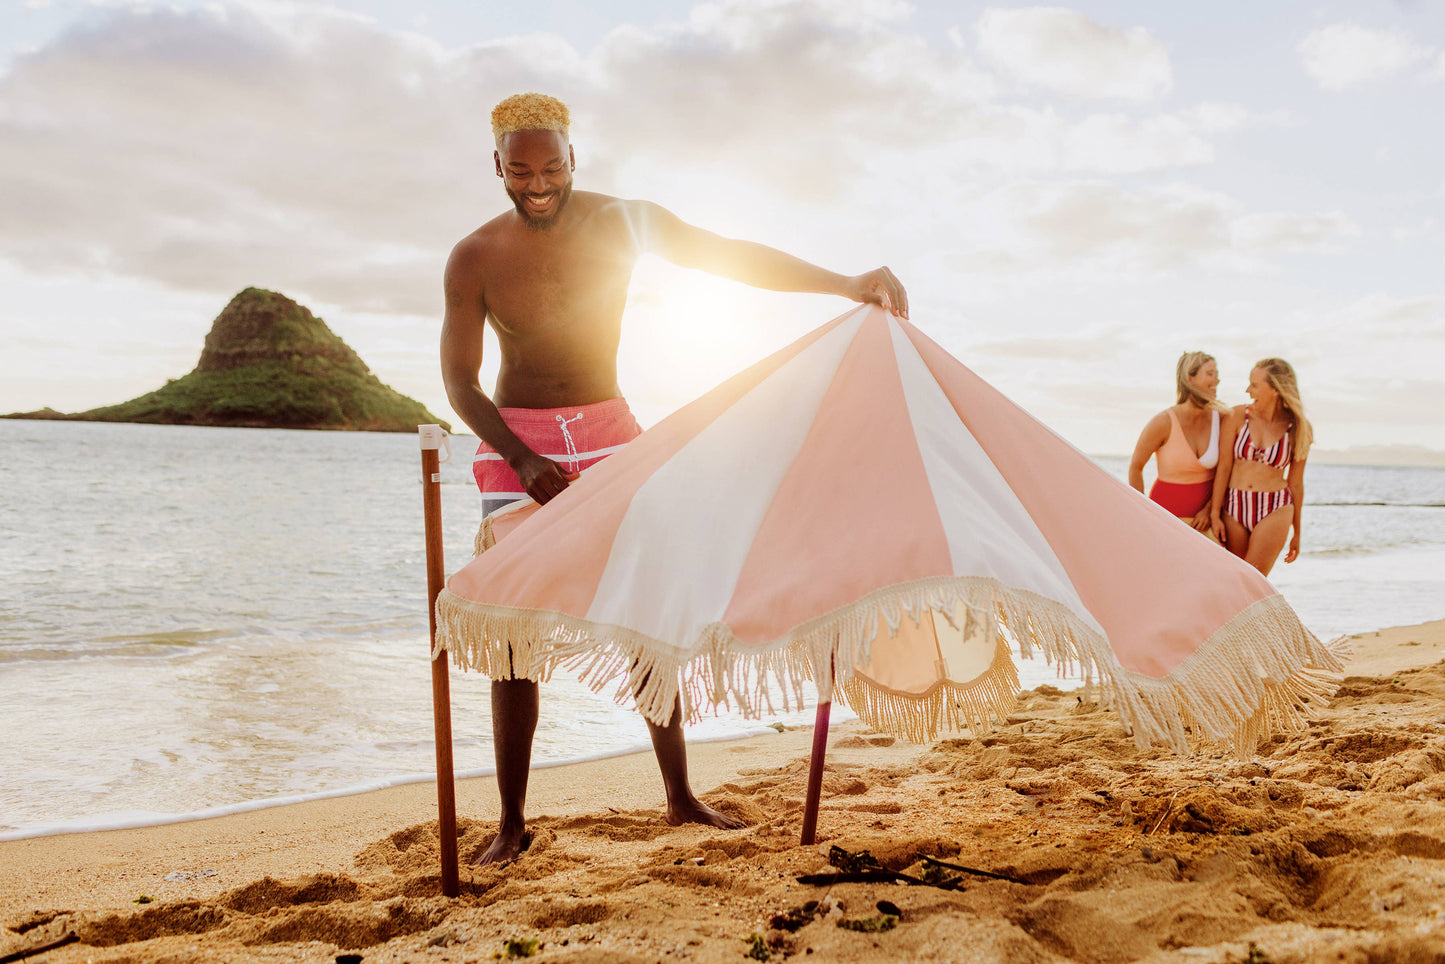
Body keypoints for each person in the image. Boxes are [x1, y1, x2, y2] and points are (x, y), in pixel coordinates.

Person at [439, 92, 908, 865]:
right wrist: (521, 459)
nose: (538, 183)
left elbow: (728, 254)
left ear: (572, 158)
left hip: (608, 428)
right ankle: (512, 821)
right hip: (512, 443)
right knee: (511, 629)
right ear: (497, 167)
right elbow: (460, 381)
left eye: (551, 166)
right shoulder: (474, 256)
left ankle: (680, 795)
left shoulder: (623, 220)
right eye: (520, 171)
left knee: (647, 611)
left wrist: (844, 280)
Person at [1210, 358, 1313, 575]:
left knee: (1254, 579)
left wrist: (1297, 532)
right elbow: (1224, 468)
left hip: (1275, 507)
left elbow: (1295, 483)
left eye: (1255, 385)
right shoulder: (1237, 415)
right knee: (1236, 578)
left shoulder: (1299, 427)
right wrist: (1215, 513)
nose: (1248, 390)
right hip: (1235, 505)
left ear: (1275, 389)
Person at [1128, 351, 1225, 535]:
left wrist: (1210, 510)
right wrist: (1139, 512)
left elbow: (1226, 471)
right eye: (1210, 374)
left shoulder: (1221, 419)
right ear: (1190, 378)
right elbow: (1136, 467)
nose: (1217, 380)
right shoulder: (1163, 421)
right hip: (1163, 515)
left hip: (1203, 521)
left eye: (1217, 375)